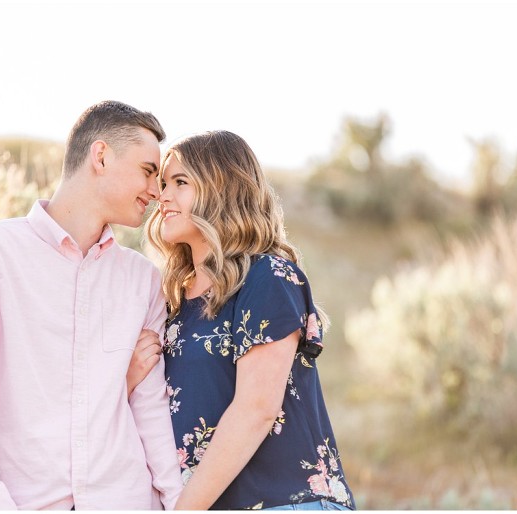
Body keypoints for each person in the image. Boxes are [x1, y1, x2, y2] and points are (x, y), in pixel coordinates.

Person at [0, 100, 182, 510]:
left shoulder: (143, 280)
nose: (156, 191)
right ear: (100, 156)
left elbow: (149, 410)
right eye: (148, 172)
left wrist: (179, 504)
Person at [131, 130, 356, 510]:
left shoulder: (266, 276)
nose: (162, 196)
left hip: (286, 502)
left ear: (222, 188)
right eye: (163, 183)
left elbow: (257, 409)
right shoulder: (170, 300)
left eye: (180, 183)